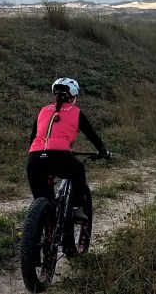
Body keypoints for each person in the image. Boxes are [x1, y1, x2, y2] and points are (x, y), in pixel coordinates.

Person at [26, 77, 110, 222]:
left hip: (34, 160)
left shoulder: (43, 110)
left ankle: (40, 230)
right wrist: (102, 151)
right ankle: (76, 209)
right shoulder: (75, 111)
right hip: (60, 157)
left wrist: (39, 153)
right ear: (72, 96)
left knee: (42, 202)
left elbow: (33, 138)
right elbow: (91, 134)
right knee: (78, 169)